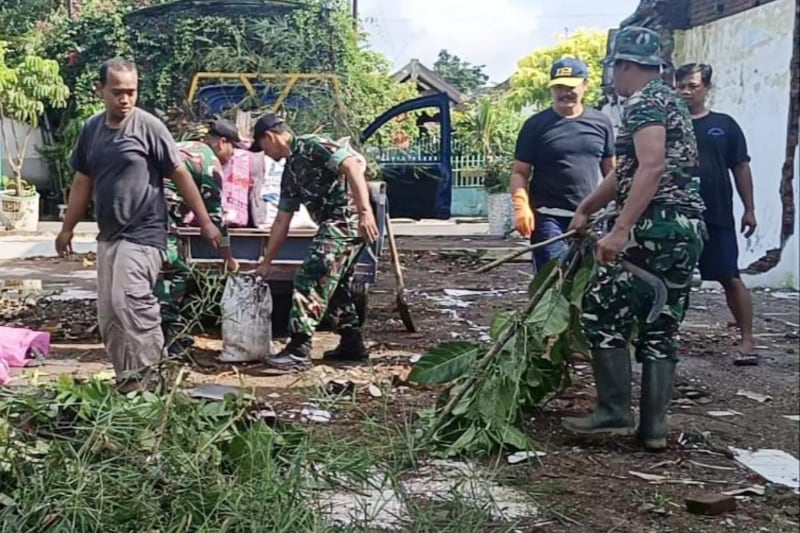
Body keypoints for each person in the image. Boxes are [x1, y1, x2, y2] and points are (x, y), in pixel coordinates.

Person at [563, 27, 706, 452]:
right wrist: (587, 207)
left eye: (614, 71)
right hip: (684, 229)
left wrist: (621, 229)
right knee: (661, 325)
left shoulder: (643, 102)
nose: (613, 80)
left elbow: (651, 167)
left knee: (601, 310)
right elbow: (625, 171)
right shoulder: (671, 102)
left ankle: (613, 413)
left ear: (624, 66)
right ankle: (654, 430)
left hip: (654, 228)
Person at [56, 58, 221, 392]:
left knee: (129, 303)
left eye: (131, 92)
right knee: (110, 316)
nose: (125, 99)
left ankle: (151, 388)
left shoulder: (149, 127)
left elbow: (180, 174)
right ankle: (128, 386)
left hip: (144, 234)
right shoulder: (92, 129)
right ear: (100, 90)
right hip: (109, 237)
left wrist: (206, 222)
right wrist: (67, 227)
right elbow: (82, 181)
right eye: (117, 92)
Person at [249, 113, 379, 371]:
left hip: (345, 221)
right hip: (336, 225)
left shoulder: (312, 144)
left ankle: (299, 349)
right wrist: (267, 262)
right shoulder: (290, 172)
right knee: (336, 285)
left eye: (261, 146)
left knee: (309, 277)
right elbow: (281, 221)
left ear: (270, 136)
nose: (263, 153)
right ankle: (352, 345)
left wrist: (365, 212)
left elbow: (352, 165)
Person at [675, 63, 759, 366]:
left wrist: (749, 209)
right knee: (673, 279)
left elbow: (740, 166)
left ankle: (747, 340)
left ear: (706, 88)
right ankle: (666, 340)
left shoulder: (724, 125)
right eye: (681, 85)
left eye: (693, 86)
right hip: (677, 216)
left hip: (717, 213)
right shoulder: (668, 126)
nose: (686, 91)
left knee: (730, 276)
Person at [511, 57, 616, 272]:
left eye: (571, 86)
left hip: (591, 217)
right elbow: (520, 172)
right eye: (559, 87)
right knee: (554, 277)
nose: (565, 92)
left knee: (588, 280)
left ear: (585, 86)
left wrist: (620, 207)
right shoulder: (536, 125)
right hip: (549, 217)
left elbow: (611, 171)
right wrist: (521, 206)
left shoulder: (601, 123)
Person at [156, 119, 247, 358]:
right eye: (233, 149)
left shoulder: (183, 146)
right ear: (222, 143)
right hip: (156, 215)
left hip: (134, 207)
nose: (232, 157)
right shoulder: (209, 163)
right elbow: (215, 221)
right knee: (174, 272)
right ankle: (170, 336)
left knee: (151, 272)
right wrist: (229, 258)